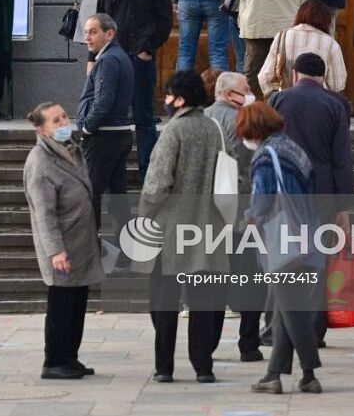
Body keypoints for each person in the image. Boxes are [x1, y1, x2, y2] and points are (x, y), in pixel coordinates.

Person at [136, 70, 229, 384]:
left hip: (171, 230)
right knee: (203, 302)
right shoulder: (213, 128)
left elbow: (158, 183)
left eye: (169, 95)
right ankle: (203, 366)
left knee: (163, 302)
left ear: (180, 98)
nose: (166, 101)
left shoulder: (173, 131)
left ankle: (164, 366)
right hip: (207, 228)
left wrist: (144, 216)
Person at [269, 51, 354, 347]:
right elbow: (342, 158)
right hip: (322, 190)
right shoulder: (336, 104)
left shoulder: (279, 100)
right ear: (323, 76)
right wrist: (344, 206)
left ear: (295, 75)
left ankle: (276, 328)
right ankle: (314, 330)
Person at [241, 102, 325, 396]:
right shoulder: (295, 149)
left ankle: (310, 373)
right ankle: (273, 375)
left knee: (292, 311)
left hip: (282, 242)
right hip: (308, 236)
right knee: (285, 309)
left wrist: (247, 217)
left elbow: (262, 202)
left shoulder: (265, 156)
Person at [24, 101, 104, 381]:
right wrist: (56, 250)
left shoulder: (71, 149)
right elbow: (44, 214)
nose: (63, 124)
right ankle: (54, 360)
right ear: (42, 128)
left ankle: (70, 357)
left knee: (77, 302)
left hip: (80, 242)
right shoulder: (41, 163)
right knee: (61, 304)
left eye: (64, 117)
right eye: (55, 121)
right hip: (64, 245)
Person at [95, 0, 173, 176]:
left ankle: (146, 169)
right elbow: (100, 18)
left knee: (143, 115)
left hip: (140, 57)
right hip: (111, 57)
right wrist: (92, 56)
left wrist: (147, 48)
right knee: (109, 114)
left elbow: (164, 20)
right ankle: (109, 171)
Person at [204, 71, 263, 362]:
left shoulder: (201, 118)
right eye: (245, 88)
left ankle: (208, 344)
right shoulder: (242, 120)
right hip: (241, 212)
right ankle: (249, 344)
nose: (250, 92)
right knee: (251, 279)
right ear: (231, 95)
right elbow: (249, 169)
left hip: (210, 215)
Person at [76, 13, 135, 236]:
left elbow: (103, 101)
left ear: (109, 34)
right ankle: (127, 251)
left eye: (93, 32)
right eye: (85, 32)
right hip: (117, 135)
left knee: (91, 194)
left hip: (103, 137)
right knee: (118, 197)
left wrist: (86, 128)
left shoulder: (109, 59)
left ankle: (89, 248)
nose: (87, 37)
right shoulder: (117, 56)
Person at [258, 0, 347, 98]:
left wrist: (276, 97)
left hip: (286, 102)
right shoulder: (331, 44)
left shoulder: (282, 36)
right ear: (326, 20)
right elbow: (337, 84)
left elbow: (264, 76)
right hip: (319, 104)